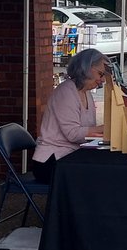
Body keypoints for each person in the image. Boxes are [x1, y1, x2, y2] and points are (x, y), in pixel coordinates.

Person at [31, 48, 107, 182]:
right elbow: (73, 134)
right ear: (87, 68)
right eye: (101, 74)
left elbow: (87, 132)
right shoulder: (66, 92)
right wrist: (105, 128)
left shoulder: (86, 93)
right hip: (51, 161)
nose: (103, 80)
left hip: (70, 156)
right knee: (97, 176)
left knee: (103, 169)